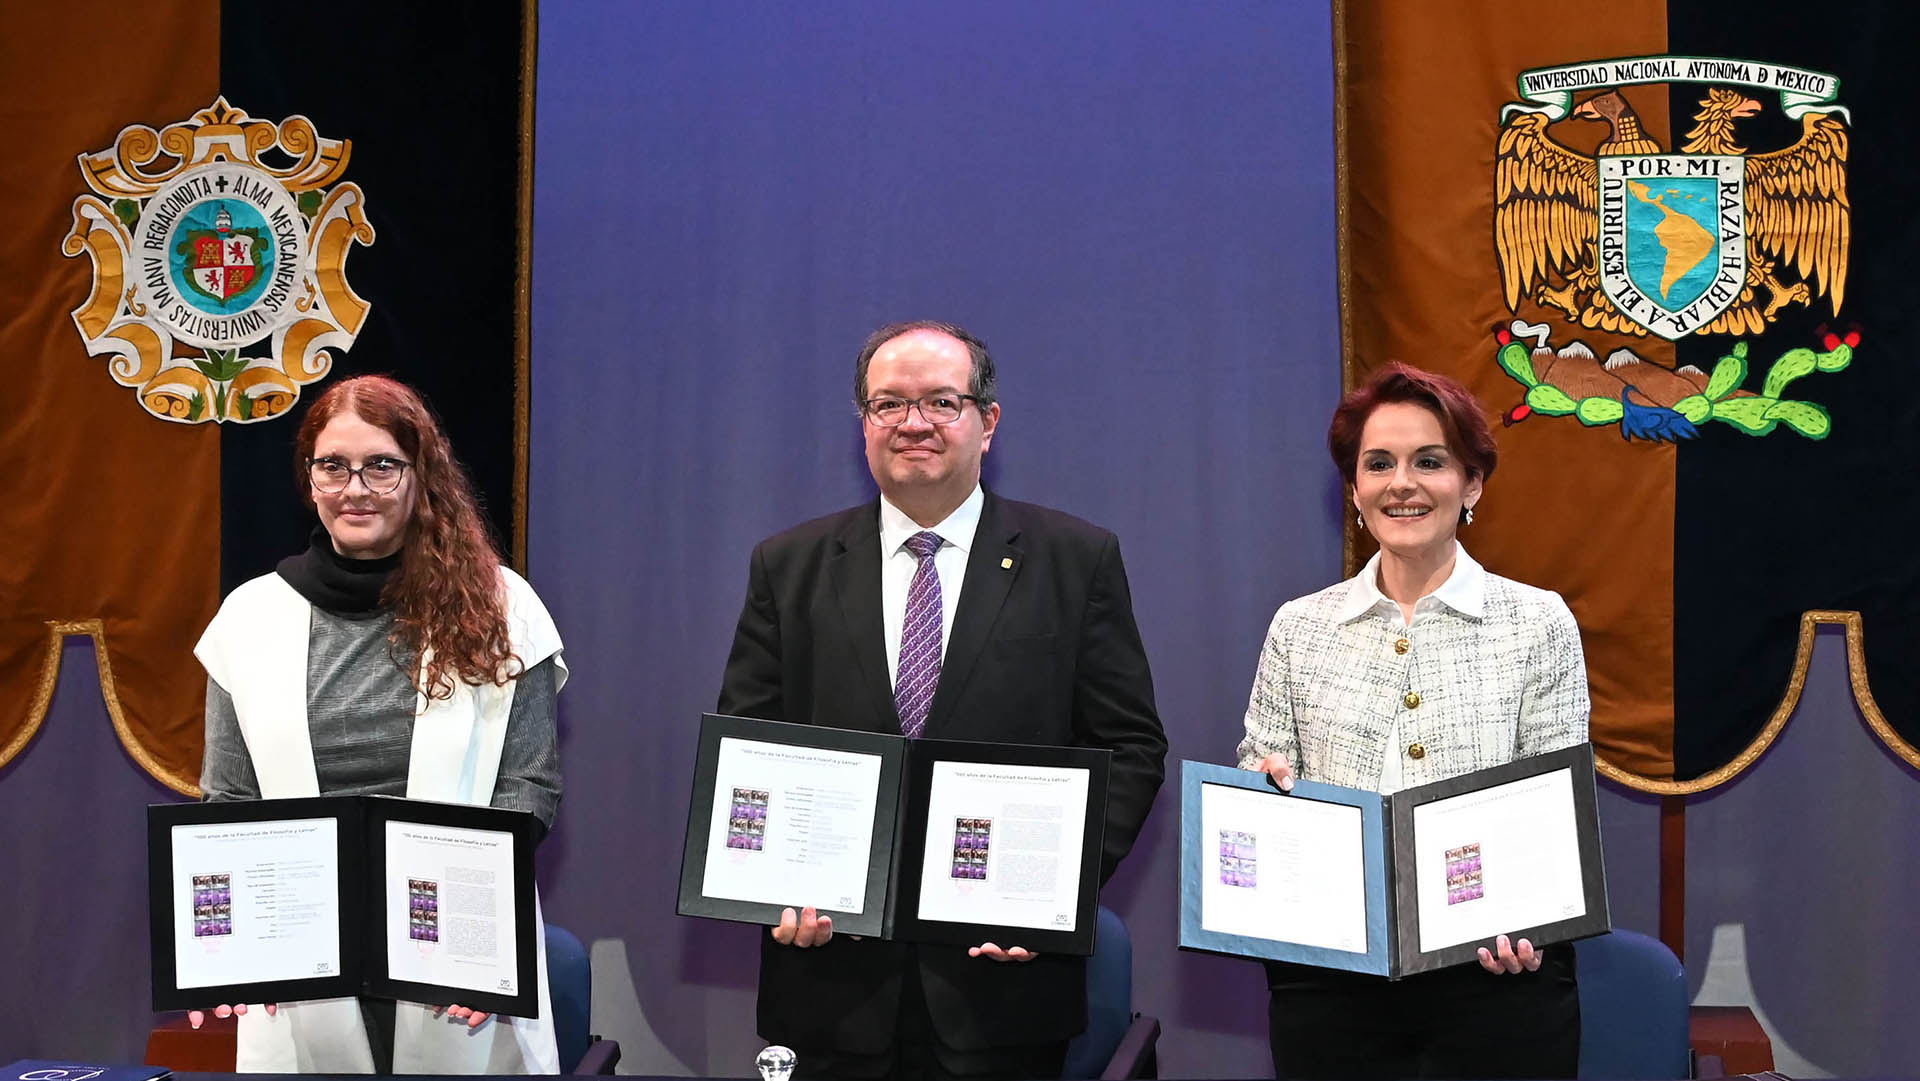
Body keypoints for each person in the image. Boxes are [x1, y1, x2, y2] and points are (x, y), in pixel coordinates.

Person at [717, 321, 1167, 1080]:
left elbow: (1129, 747)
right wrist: (772, 882)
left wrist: (1054, 892)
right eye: (889, 404)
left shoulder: (1074, 559)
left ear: (987, 422)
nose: (914, 422)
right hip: (831, 985)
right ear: (863, 422)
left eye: (941, 401)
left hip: (1002, 992)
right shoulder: (787, 564)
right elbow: (749, 744)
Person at [193, 375, 566, 1074]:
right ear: (309, 477)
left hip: (454, 957)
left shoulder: (502, 608)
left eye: (381, 466)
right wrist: (226, 948)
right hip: (300, 957)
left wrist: (476, 942)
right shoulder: (249, 617)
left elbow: (529, 787)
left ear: (420, 474)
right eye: (332, 464)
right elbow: (228, 804)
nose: (354, 487)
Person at [1237, 362, 1587, 1080]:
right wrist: (1265, 793)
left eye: (1430, 461)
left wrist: (1534, 915)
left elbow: (1555, 800)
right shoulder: (1299, 627)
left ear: (1472, 484)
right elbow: (1258, 765)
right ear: (1355, 489)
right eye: (1379, 463)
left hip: (1498, 975)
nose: (1403, 482)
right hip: (1331, 983)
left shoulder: (1538, 621)